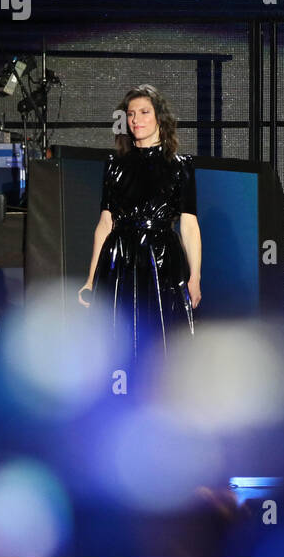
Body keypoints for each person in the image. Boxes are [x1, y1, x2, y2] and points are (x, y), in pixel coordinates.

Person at [80, 85, 201, 371]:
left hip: (161, 258)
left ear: (160, 117)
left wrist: (194, 276)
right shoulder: (114, 164)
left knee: (163, 334)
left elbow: (189, 224)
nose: (136, 119)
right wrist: (90, 279)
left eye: (144, 112)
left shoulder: (180, 166)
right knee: (116, 331)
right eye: (131, 114)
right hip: (119, 258)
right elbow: (105, 224)